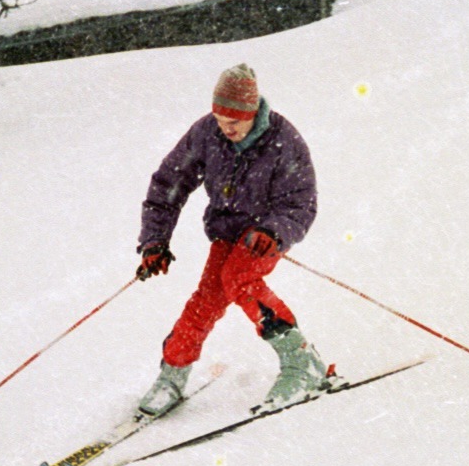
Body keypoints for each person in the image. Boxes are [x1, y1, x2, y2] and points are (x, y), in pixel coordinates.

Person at [134, 63, 328, 415]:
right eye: (221, 119)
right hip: (227, 232)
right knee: (206, 300)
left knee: (239, 277)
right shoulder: (207, 132)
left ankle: (303, 364)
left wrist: (274, 231)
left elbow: (301, 201)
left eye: (235, 121)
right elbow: (168, 184)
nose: (227, 128)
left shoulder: (284, 140)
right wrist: (154, 242)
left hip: (262, 236)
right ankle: (172, 375)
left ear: (253, 112)